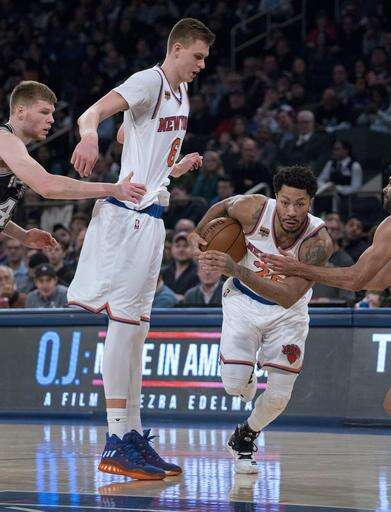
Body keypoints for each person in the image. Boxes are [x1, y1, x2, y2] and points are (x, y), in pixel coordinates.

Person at [67, 18, 215, 480]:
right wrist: (89, 135)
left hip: (150, 217)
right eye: (197, 56)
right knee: (124, 327)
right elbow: (92, 115)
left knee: (138, 333)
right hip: (126, 216)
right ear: (176, 49)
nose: (202, 65)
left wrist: (173, 167)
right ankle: (115, 439)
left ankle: (132, 434)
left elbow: (130, 136)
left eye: (205, 58)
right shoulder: (149, 81)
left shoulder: (180, 94)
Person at [190, 166, 333, 473]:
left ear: (311, 202)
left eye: (300, 204)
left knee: (279, 396)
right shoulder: (252, 208)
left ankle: (245, 436)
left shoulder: (317, 243)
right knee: (233, 385)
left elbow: (287, 296)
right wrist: (198, 234)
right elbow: (223, 206)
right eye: (285, 202)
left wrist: (236, 269)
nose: (291, 211)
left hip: (287, 314)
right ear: (275, 197)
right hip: (242, 301)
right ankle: (247, 376)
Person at [262, 163, 391, 427]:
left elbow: (356, 279)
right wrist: (317, 269)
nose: (385, 188)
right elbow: (379, 281)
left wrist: (297, 268)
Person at [0, 81, 146, 253]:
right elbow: (47, 186)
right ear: (20, 111)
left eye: (52, 113)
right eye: (44, 112)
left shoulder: (12, 148)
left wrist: (22, 235)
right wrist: (113, 189)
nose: (51, 119)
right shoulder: (5, 140)